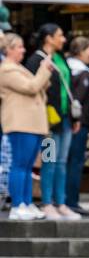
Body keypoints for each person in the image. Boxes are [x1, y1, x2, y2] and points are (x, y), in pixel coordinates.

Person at [25, 24, 79, 219]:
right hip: (47, 120)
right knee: (49, 160)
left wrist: (75, 116)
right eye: (60, 35)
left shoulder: (60, 58)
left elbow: (68, 88)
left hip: (65, 118)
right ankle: (47, 203)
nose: (63, 39)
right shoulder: (35, 60)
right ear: (48, 38)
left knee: (62, 161)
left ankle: (61, 202)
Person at [0, 31, 53, 220]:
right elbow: (31, 87)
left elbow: (35, 87)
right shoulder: (6, 70)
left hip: (31, 124)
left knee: (28, 166)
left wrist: (43, 78)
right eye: (20, 47)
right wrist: (44, 70)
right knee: (20, 164)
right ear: (9, 50)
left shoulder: (17, 68)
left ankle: (27, 203)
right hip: (20, 123)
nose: (23, 50)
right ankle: (17, 206)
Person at [63, 36, 89, 215]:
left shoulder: (63, 68)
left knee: (52, 161)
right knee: (75, 162)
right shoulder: (84, 73)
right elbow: (78, 101)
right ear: (81, 51)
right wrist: (78, 121)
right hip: (77, 126)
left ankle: (54, 200)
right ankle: (71, 201)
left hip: (54, 125)